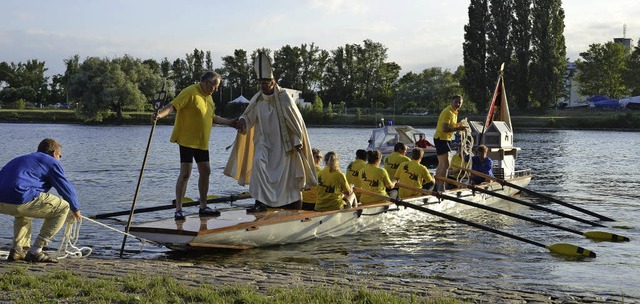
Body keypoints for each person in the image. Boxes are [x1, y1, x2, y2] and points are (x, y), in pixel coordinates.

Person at [224, 52, 317, 213]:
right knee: (258, 164)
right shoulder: (258, 99)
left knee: (289, 181)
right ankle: (259, 202)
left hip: (284, 147)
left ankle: (295, 209)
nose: (263, 86)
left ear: (272, 82)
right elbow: (248, 117)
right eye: (260, 83)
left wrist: (297, 141)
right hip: (264, 143)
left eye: (265, 83)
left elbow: (296, 124)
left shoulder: (284, 98)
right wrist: (241, 123)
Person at [153, 71, 238, 221]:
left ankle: (203, 207)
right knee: (185, 173)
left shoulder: (209, 98)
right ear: (206, 83)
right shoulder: (189, 92)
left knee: (206, 172)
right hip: (186, 140)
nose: (216, 90)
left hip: (201, 142)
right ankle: (179, 210)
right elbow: (173, 106)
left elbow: (212, 118)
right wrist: (159, 115)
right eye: (215, 86)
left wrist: (231, 123)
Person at [0, 138, 82, 263]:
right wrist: (75, 209)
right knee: (63, 207)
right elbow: (66, 188)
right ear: (54, 152)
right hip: (19, 198)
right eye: (60, 155)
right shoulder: (51, 162)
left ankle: (18, 250)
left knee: (25, 210)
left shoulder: (20, 159)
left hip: (2, 202)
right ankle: (36, 251)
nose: (60, 158)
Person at [433, 95, 468, 191]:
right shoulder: (448, 112)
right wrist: (458, 128)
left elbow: (451, 126)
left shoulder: (454, 112)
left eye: (459, 103)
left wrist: (459, 125)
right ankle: (441, 187)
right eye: (456, 102)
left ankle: (437, 185)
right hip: (441, 138)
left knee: (441, 164)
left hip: (444, 139)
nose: (458, 104)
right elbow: (445, 128)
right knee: (446, 164)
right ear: (452, 102)